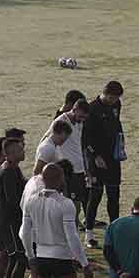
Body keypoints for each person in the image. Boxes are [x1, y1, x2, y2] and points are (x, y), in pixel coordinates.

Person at [83, 80, 126, 249]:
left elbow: (117, 124)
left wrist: (121, 141)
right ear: (105, 93)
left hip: (113, 158)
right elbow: (85, 137)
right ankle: (89, 235)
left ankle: (113, 232)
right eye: (111, 97)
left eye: (116, 98)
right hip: (96, 159)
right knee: (95, 196)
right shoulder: (91, 108)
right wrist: (94, 156)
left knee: (114, 195)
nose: (113, 100)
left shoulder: (117, 105)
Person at [0, 137, 29, 278]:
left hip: (11, 222)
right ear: (10, 154)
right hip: (11, 223)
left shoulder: (13, 169)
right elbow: (13, 200)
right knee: (20, 259)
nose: (23, 151)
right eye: (20, 149)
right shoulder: (8, 172)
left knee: (15, 259)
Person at [48, 97, 91, 226]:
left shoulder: (79, 123)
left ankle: (74, 223)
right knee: (70, 202)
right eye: (81, 116)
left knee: (77, 201)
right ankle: (69, 225)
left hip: (79, 168)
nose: (82, 119)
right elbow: (49, 139)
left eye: (84, 118)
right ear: (75, 109)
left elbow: (79, 145)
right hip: (67, 169)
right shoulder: (60, 122)